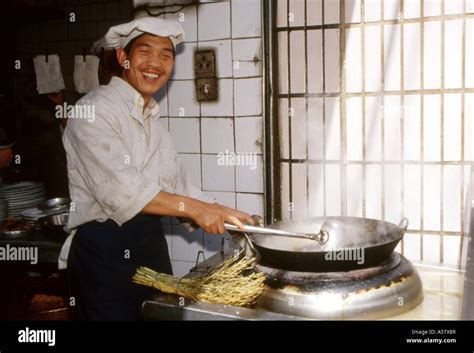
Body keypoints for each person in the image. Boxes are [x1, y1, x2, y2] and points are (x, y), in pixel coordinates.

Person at [61, 17, 254, 320]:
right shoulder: (93, 112)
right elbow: (126, 194)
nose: (156, 63)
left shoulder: (153, 121)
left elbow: (177, 187)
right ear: (123, 57)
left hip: (149, 246)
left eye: (166, 55)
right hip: (104, 254)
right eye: (145, 52)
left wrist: (225, 213)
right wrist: (197, 209)